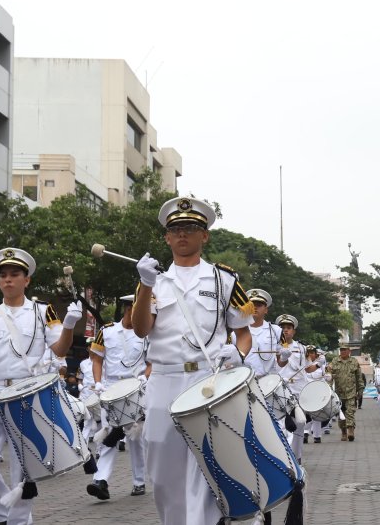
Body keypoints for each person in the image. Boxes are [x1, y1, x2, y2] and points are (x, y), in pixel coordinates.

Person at [131, 196, 253, 525]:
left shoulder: (225, 280)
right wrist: (144, 284)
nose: (182, 234)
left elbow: (243, 332)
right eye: (176, 229)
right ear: (167, 238)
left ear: (205, 236)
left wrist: (238, 352)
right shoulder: (152, 280)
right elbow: (142, 328)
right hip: (164, 381)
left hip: (207, 382)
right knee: (163, 471)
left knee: (206, 469)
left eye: (191, 228)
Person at [0, 248, 81, 525]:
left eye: (14, 274)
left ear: (26, 280)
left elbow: (60, 348)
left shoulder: (43, 311)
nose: (8, 280)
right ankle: (2, 514)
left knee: (24, 468)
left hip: (28, 392)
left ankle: (16, 522)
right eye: (3, 275)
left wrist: (70, 325)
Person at [86, 297, 149, 500]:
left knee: (136, 438)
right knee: (108, 433)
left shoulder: (147, 334)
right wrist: (97, 382)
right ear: (128, 309)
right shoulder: (107, 331)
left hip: (136, 387)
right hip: (112, 388)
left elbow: (153, 361)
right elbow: (96, 359)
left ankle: (139, 481)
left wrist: (145, 376)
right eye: (135, 309)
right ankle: (100, 480)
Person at [275, 314, 307, 458]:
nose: (285, 330)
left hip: (297, 390)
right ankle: (287, 456)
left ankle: (296, 454)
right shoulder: (273, 346)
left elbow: (302, 371)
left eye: (288, 328)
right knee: (283, 424)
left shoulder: (301, 348)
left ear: (294, 331)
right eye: (282, 328)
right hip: (279, 389)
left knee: (300, 422)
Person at [243, 289, 281, 377]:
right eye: (252, 305)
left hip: (268, 381)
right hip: (245, 380)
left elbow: (281, 362)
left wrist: (284, 357)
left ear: (266, 310)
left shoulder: (277, 331)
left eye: (259, 305)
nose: (255, 308)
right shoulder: (238, 332)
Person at [330, 342, 364, 441]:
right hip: (338, 393)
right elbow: (329, 376)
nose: (343, 352)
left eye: (345, 350)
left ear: (349, 351)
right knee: (341, 414)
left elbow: (359, 377)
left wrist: (360, 390)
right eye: (341, 350)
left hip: (351, 392)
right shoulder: (335, 361)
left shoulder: (354, 362)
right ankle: (343, 432)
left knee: (350, 412)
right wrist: (329, 390)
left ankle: (350, 430)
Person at [302, 345, 326, 442]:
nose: (310, 355)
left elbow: (324, 377)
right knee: (306, 413)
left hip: (318, 390)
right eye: (309, 353)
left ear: (315, 354)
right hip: (306, 390)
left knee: (317, 414)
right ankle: (305, 433)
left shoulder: (321, 365)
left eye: (312, 353)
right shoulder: (302, 363)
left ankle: (317, 435)